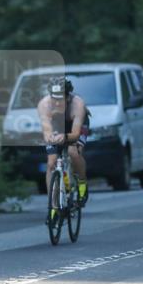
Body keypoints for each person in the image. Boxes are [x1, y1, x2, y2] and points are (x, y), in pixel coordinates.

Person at [37, 76, 89, 213]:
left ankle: (82, 182)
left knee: (73, 152)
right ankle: (53, 205)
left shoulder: (78, 104)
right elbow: (47, 128)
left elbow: (76, 133)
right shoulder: (44, 105)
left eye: (60, 98)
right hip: (56, 125)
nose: (57, 103)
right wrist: (50, 137)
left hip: (75, 127)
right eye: (54, 98)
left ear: (68, 96)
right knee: (51, 162)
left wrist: (65, 137)